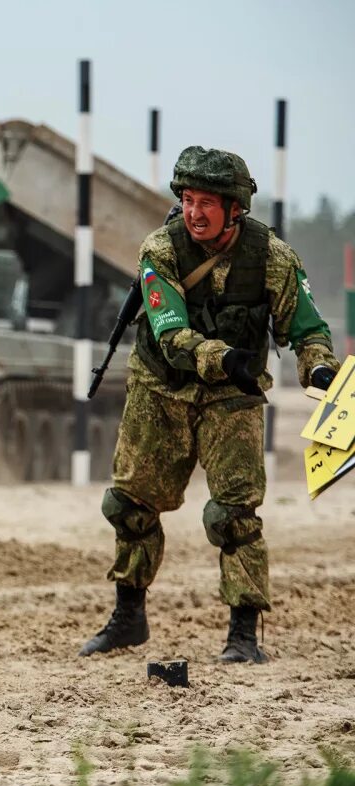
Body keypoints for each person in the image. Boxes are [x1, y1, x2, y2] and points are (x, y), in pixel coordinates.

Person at [79, 147, 340, 663]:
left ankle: (242, 636)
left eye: (207, 203)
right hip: (161, 389)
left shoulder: (272, 257)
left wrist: (320, 369)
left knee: (234, 515)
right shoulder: (161, 250)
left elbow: (306, 328)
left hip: (230, 399)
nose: (195, 213)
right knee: (130, 506)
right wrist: (226, 359)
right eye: (189, 200)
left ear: (234, 208)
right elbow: (172, 334)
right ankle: (129, 616)